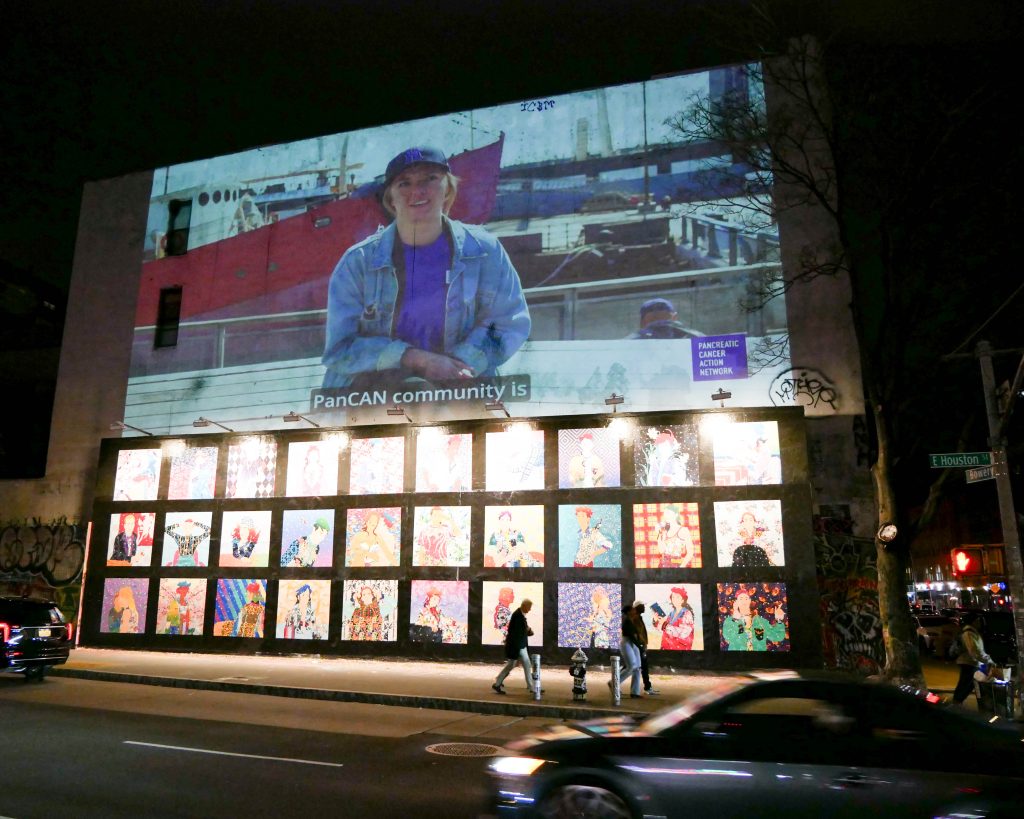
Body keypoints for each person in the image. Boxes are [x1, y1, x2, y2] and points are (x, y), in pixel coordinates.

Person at [322, 146, 531, 388]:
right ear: (390, 198)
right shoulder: (357, 262)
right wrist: (416, 359)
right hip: (371, 392)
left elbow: (508, 321)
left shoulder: (485, 250)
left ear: (447, 189)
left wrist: (459, 367)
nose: (417, 191)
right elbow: (339, 348)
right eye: (404, 183)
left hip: (461, 388)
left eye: (429, 179)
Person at [953, 612, 1002, 705]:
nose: (980, 622)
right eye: (978, 620)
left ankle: (957, 702)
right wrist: (989, 660)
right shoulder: (969, 633)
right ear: (973, 621)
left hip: (972, 663)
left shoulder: (972, 632)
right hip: (969, 663)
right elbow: (975, 651)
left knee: (969, 684)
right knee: (966, 684)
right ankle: (956, 703)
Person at [492, 599, 535, 695]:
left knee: (513, 665)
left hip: (518, 646)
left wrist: (527, 630)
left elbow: (520, 630)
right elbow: (518, 632)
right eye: (529, 607)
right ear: (524, 606)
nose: (530, 609)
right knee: (525, 665)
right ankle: (531, 687)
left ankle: (498, 682)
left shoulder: (519, 614)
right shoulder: (518, 616)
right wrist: (528, 630)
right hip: (518, 646)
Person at [626, 297, 703, 339]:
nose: (660, 325)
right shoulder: (631, 344)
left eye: (665, 321)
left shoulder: (693, 338)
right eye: (653, 320)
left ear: (674, 318)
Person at [610, 603, 643, 698]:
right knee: (631, 666)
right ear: (629, 612)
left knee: (637, 668)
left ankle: (635, 692)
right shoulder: (627, 621)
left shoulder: (633, 620)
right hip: (627, 643)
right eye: (632, 609)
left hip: (633, 644)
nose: (634, 610)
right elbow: (631, 636)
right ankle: (614, 683)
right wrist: (640, 646)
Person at [630, 602, 660, 695]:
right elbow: (638, 634)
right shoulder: (636, 619)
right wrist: (642, 645)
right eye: (642, 606)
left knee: (639, 667)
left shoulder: (638, 618)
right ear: (637, 607)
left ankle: (647, 687)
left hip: (639, 646)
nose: (644, 607)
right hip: (639, 646)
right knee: (642, 667)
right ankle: (647, 687)